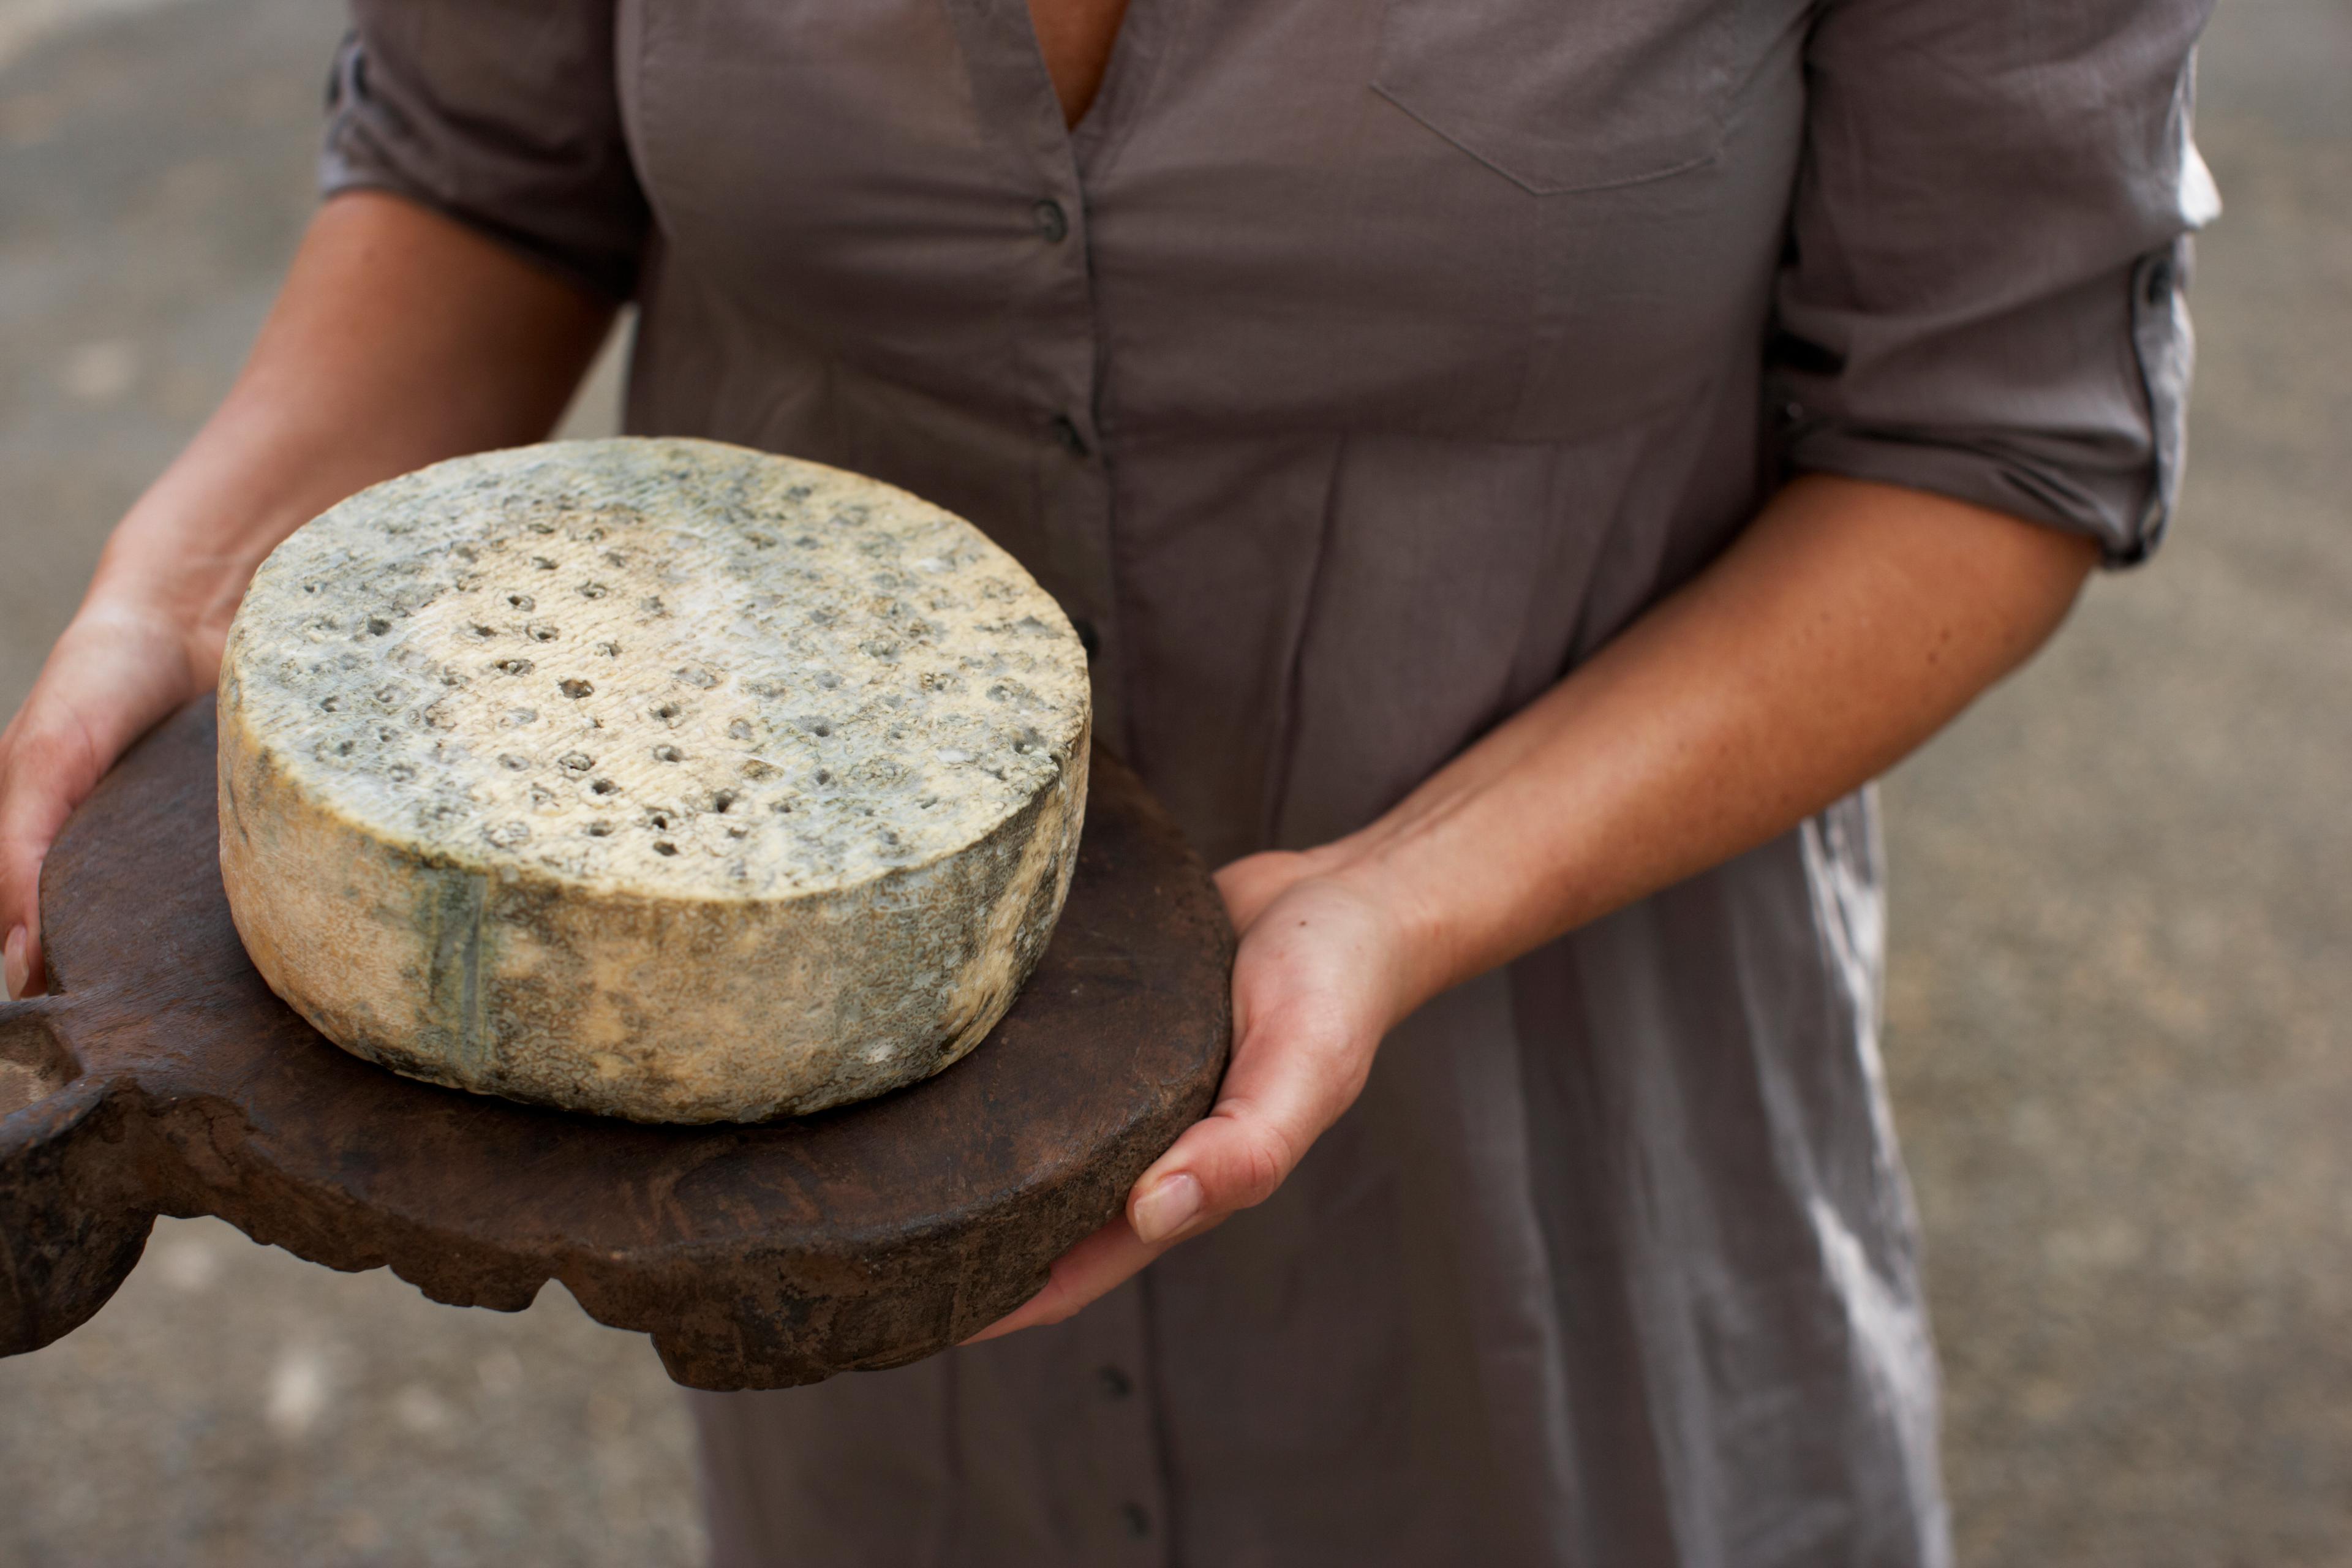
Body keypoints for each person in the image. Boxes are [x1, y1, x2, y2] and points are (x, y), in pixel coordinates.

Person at [0, 0, 2215, 1561]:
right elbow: (492, 174)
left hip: (1556, 1154)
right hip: (837, 1117)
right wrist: (180, 590)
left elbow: (1987, 436)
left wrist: (1407, 890)